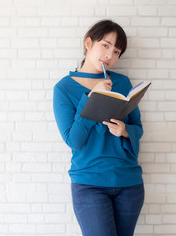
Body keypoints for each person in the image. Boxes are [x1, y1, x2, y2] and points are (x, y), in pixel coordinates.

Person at [53, 19, 144, 236]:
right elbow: (73, 140)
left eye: (116, 51)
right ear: (88, 43)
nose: (109, 55)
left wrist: (125, 131)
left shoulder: (122, 82)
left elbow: (138, 129)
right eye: (105, 45)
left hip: (129, 183)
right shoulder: (64, 88)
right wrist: (92, 97)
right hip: (89, 184)